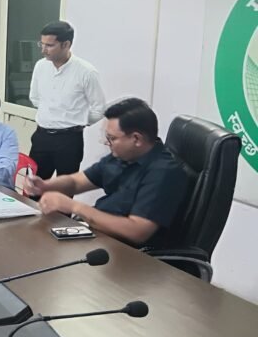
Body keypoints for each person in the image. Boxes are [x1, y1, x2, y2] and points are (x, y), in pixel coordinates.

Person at [24, 98, 187, 247]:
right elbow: (77, 182)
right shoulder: (122, 157)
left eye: (112, 138)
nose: (106, 142)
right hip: (99, 237)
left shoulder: (163, 172)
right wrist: (45, 185)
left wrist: (74, 206)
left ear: (136, 139)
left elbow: (137, 231)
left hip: (130, 254)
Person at [29, 21, 106, 179]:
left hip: (69, 140)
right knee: (33, 185)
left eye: (49, 45)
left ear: (66, 44)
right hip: (41, 136)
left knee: (64, 189)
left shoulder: (86, 72)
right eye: (41, 44)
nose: (43, 50)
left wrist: (78, 121)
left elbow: (99, 108)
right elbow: (35, 98)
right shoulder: (40, 66)